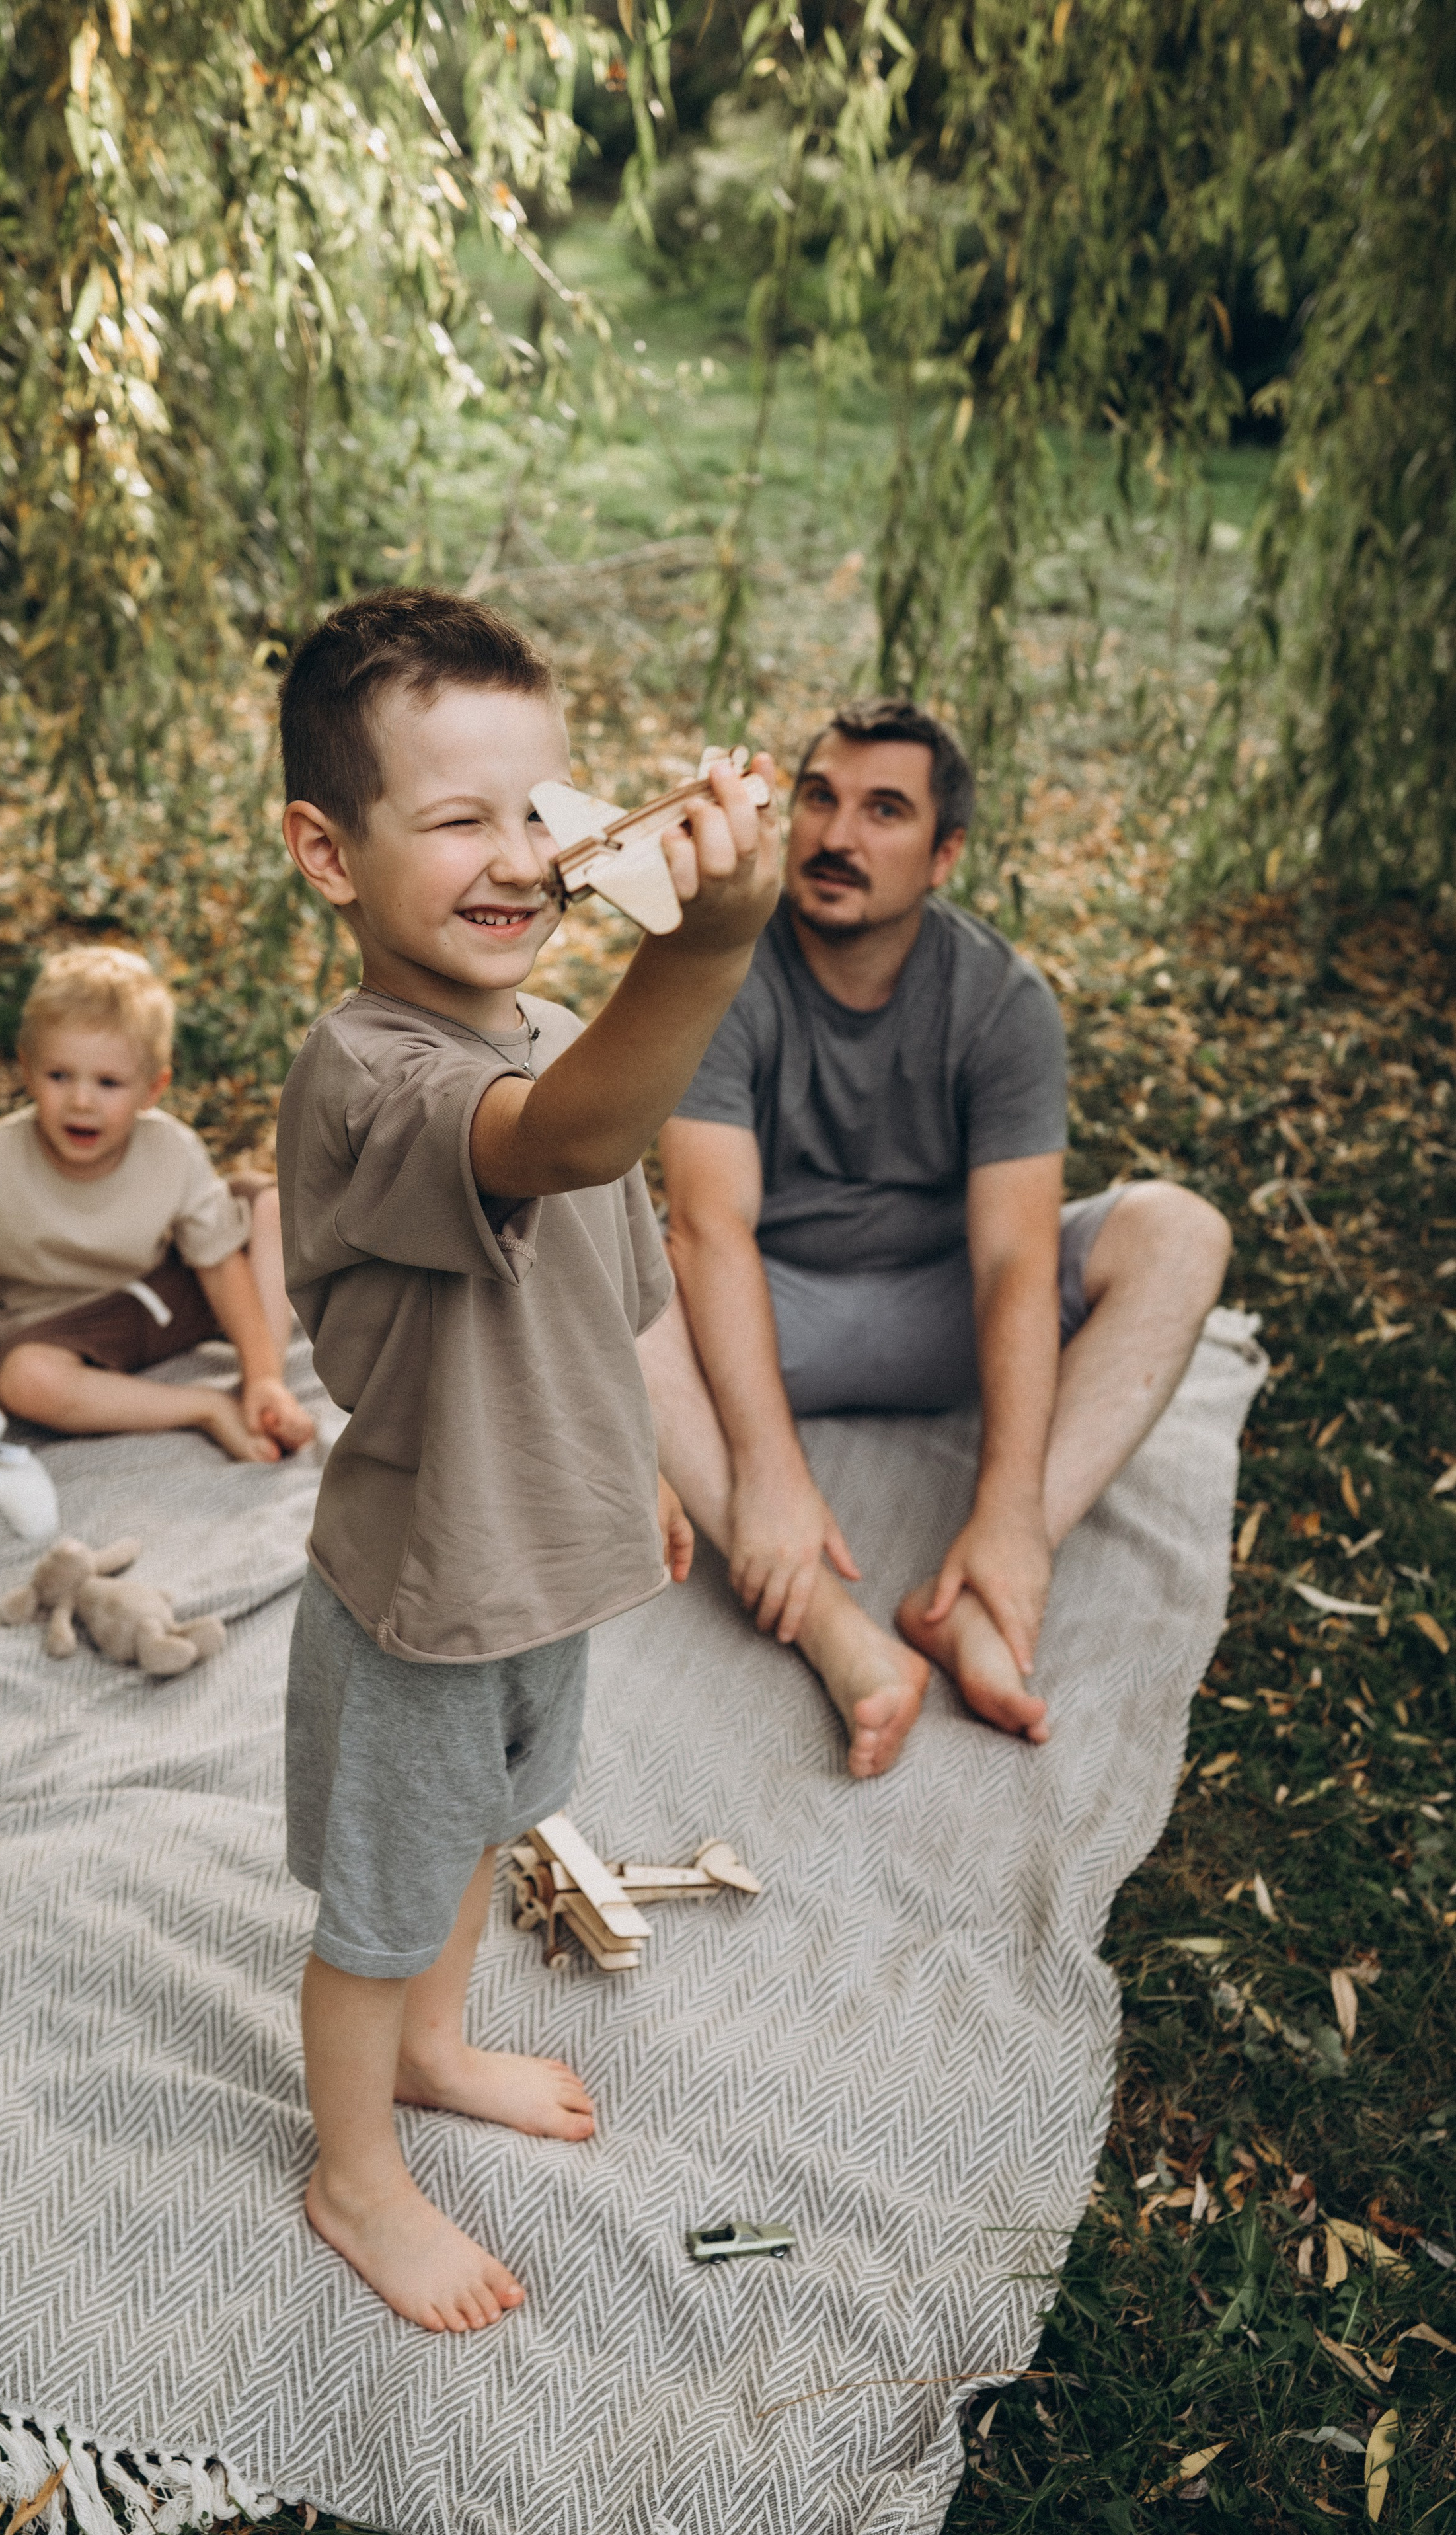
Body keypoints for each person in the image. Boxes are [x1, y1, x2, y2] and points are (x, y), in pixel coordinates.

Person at [274, 587, 779, 2336]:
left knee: (493, 1821)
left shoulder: (552, 1034)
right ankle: (354, 2170)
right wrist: (708, 945)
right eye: (457, 817)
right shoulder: (370, 1071)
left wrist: (639, 1462)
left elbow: (616, 1293)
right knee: (387, 1889)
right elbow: (562, 1148)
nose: (518, 855)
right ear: (327, 852)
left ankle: (433, 2044)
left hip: (537, 1563)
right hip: (424, 1593)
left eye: (540, 811)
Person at [640, 696, 1233, 1779]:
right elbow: (707, 1228)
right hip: (774, 1309)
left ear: (944, 852)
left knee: (1180, 1231)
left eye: (884, 811)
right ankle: (838, 1634)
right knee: (583, 1247)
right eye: (819, 799)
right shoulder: (722, 968)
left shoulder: (1003, 1002)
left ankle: (986, 1586)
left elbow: (1012, 1262)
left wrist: (1008, 1510)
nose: (837, 837)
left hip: (943, 1305)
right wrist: (773, 1470)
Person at [0, 945, 316, 1461]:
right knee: (27, 1381)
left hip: (166, 1296)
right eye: (60, 1076)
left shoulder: (170, 1149)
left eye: (108, 1083)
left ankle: (263, 1391)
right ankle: (206, 1406)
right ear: (27, 1070)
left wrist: (260, 1371)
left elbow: (217, 1263)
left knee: (268, 1204)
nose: (82, 1101)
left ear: (152, 1088)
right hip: (64, 1326)